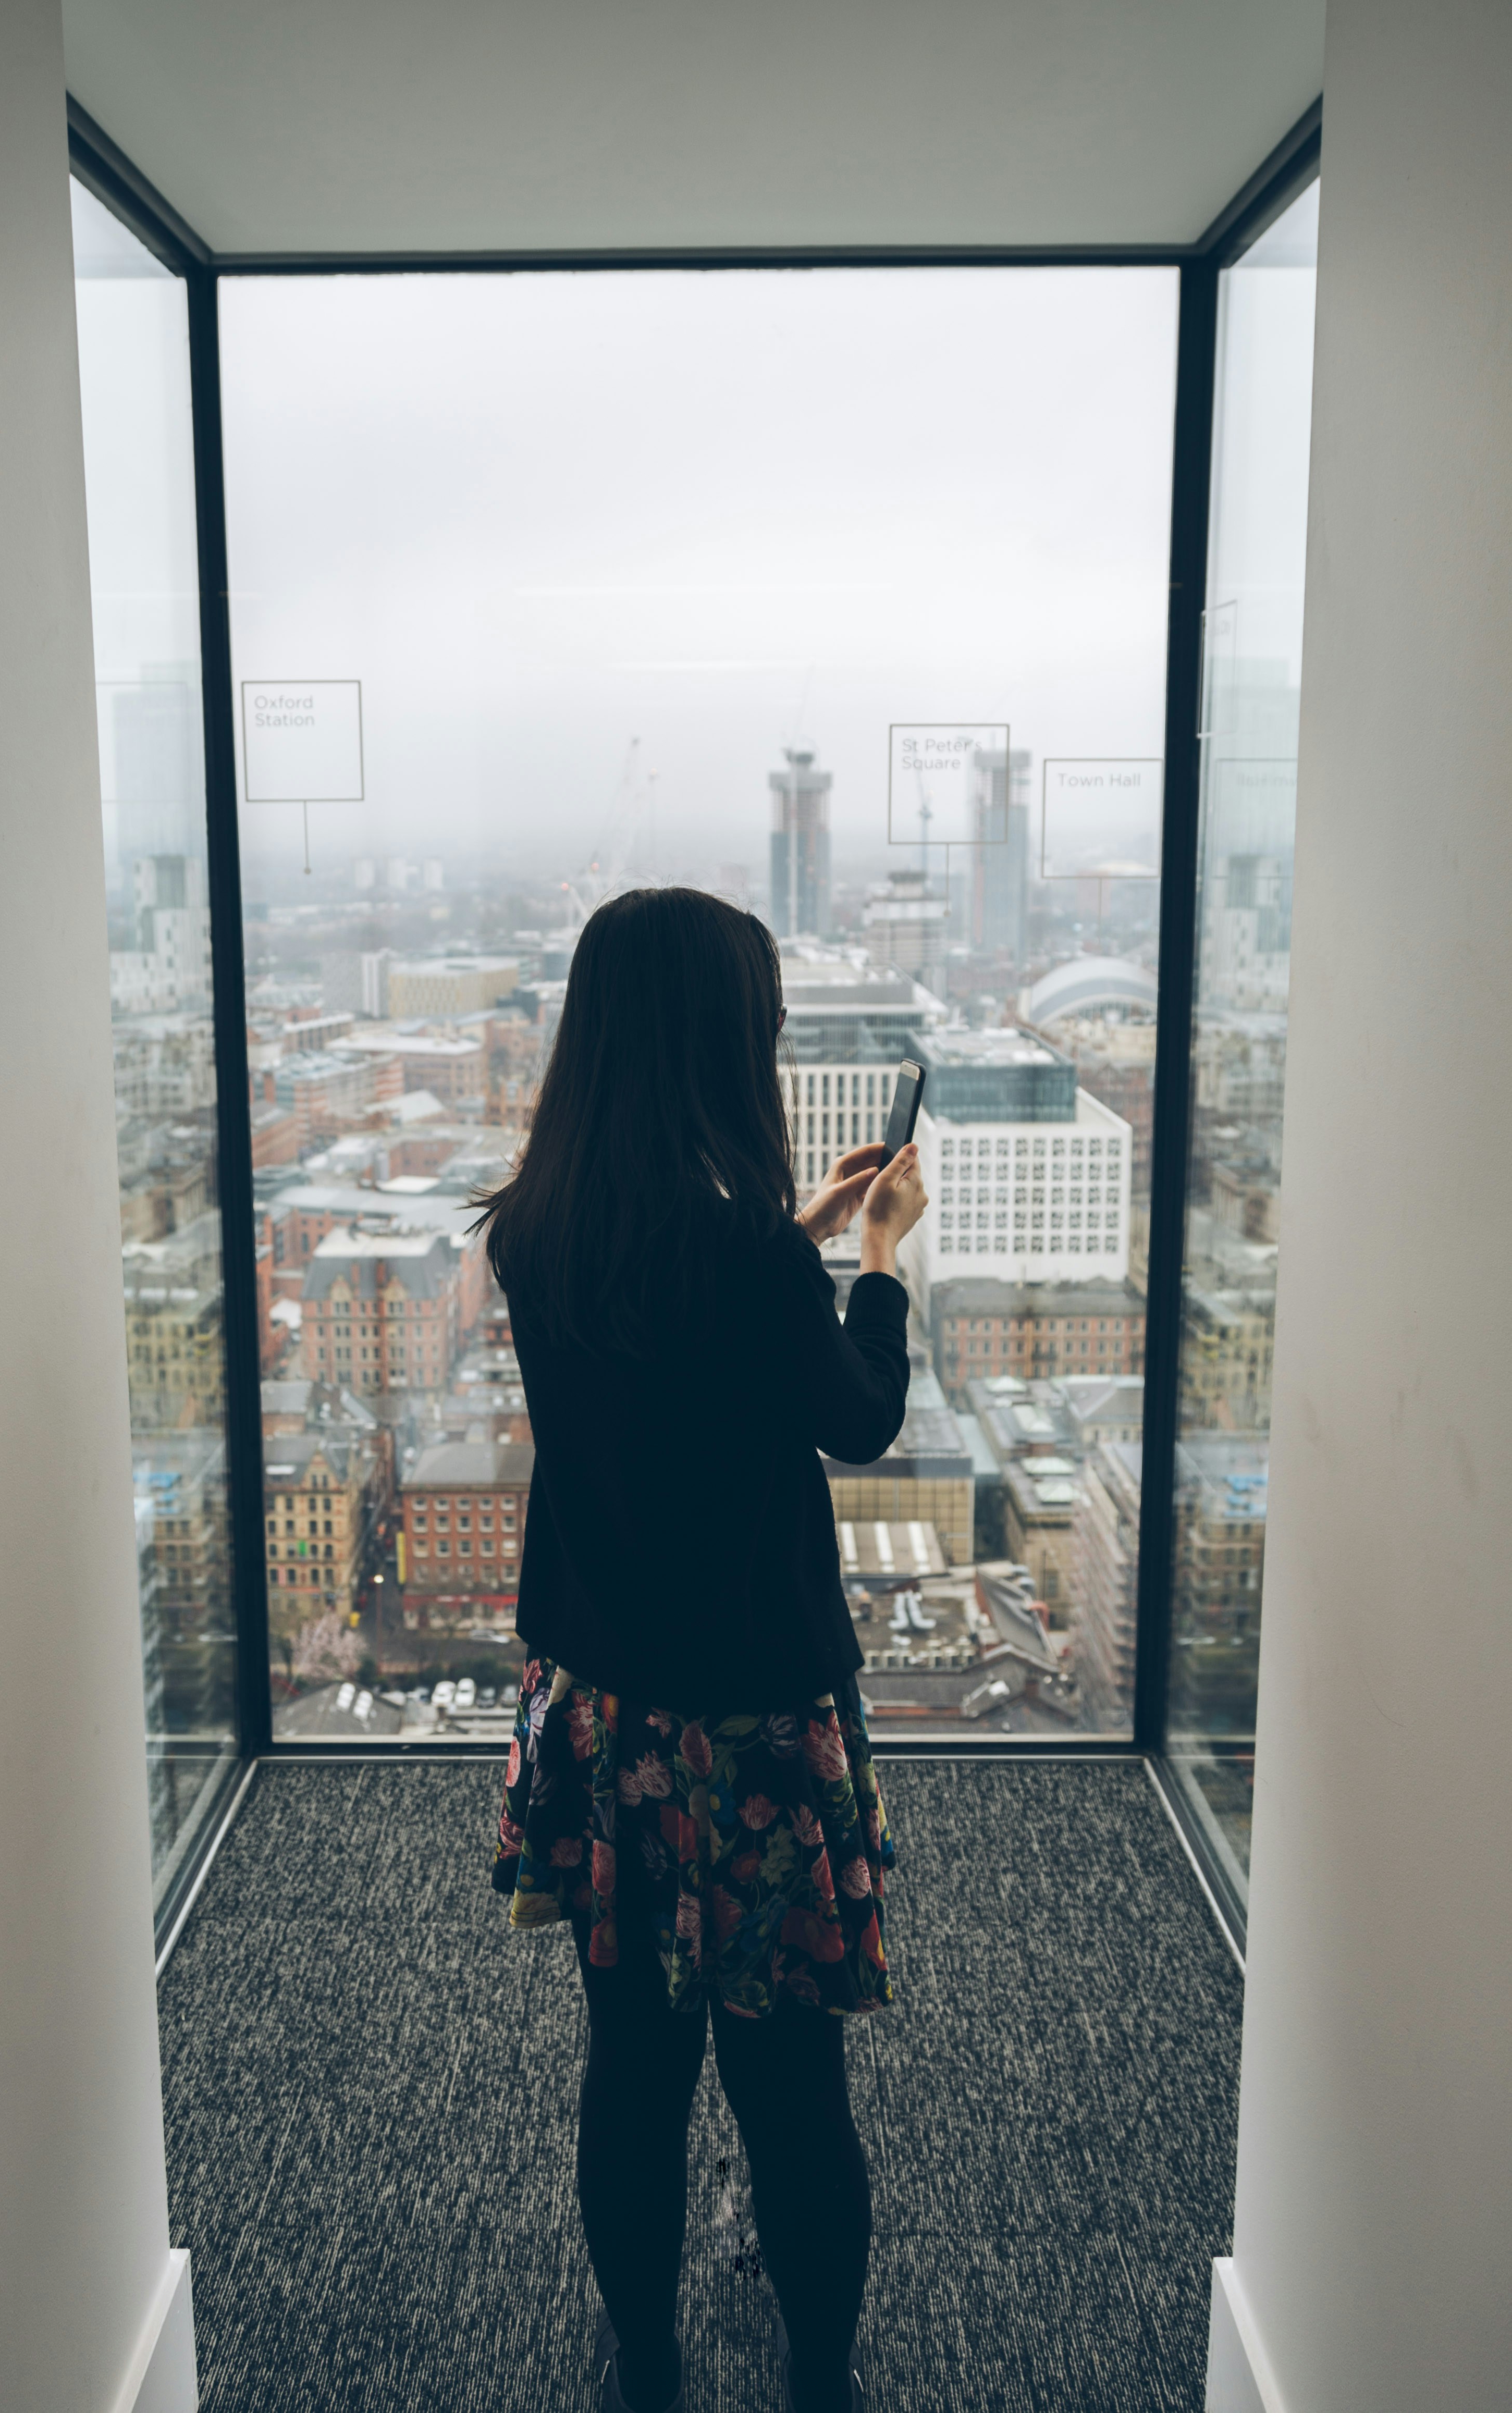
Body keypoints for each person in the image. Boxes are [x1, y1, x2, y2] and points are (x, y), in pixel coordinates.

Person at [476, 888, 926, 2413]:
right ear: (723, 1047)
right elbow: (857, 1416)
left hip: (602, 1714)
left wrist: (788, 1246)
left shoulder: (536, 1229)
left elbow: (671, 1337)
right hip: (750, 1737)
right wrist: (874, 1264)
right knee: (794, 2094)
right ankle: (819, 2384)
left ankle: (648, 2371)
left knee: (634, 2078)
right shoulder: (747, 1265)